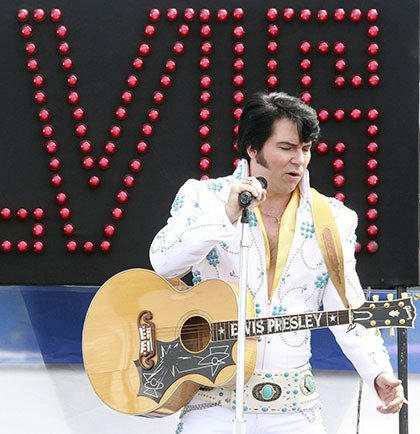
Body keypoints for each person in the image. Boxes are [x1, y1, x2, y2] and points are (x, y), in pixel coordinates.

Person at [149, 91, 405, 433]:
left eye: (305, 148)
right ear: (253, 149)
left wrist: (378, 372)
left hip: (294, 408)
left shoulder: (334, 218)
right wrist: (225, 216)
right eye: (286, 148)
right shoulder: (203, 197)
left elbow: (347, 308)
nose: (298, 160)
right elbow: (164, 263)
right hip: (213, 403)